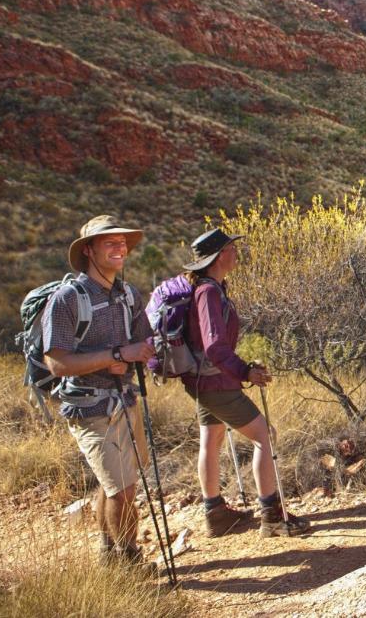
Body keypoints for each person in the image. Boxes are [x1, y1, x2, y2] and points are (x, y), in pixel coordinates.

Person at [42, 215, 157, 567]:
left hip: (126, 400)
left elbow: (143, 339)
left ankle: (109, 555)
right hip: (90, 409)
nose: (120, 246)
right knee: (121, 490)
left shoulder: (128, 294)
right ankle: (130, 561)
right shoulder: (67, 299)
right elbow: (57, 363)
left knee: (119, 485)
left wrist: (141, 352)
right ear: (89, 250)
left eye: (122, 241)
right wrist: (116, 356)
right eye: (110, 242)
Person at [181, 227, 310, 537]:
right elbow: (214, 346)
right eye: (231, 249)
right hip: (217, 382)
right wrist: (244, 371)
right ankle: (272, 516)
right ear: (219, 256)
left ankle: (216, 514)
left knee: (211, 439)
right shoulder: (210, 291)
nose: (236, 253)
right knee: (264, 436)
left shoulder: (208, 288)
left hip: (201, 380)